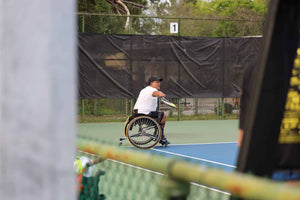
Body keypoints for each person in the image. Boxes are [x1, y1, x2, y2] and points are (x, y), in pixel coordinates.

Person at [133, 76, 169, 145]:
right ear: (151, 83)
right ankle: (160, 136)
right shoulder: (151, 90)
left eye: (159, 82)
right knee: (163, 115)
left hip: (136, 113)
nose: (159, 84)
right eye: (157, 82)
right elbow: (156, 93)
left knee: (158, 114)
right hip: (145, 114)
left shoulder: (144, 90)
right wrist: (161, 94)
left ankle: (159, 134)